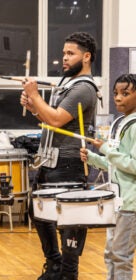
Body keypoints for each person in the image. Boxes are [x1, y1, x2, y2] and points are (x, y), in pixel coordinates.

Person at [20, 32, 98, 280]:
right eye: (64, 53)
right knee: (40, 214)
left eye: (70, 53)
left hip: (69, 163)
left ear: (86, 57)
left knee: (70, 222)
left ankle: (67, 272)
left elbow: (55, 118)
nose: (64, 58)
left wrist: (34, 95)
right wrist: (34, 107)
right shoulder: (68, 85)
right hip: (49, 160)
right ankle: (53, 265)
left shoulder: (84, 88)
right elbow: (50, 120)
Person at [80, 74, 136, 280]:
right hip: (117, 202)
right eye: (115, 94)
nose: (118, 98)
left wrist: (106, 150)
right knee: (110, 254)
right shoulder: (122, 123)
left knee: (121, 256)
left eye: (125, 93)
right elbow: (116, 165)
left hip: (131, 204)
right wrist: (93, 158)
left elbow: (133, 165)